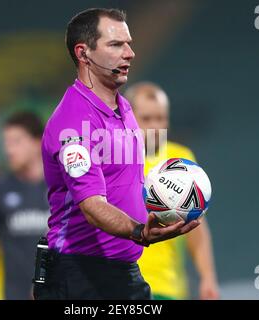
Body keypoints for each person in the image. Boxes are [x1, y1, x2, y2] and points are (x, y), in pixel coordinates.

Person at [39, 8, 200, 300]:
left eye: (129, 43)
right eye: (116, 45)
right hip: (80, 276)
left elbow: (125, 184)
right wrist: (139, 232)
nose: (130, 53)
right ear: (83, 53)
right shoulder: (73, 123)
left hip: (125, 271)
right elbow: (92, 206)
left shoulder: (124, 109)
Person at [125, 82, 220, 300]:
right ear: (128, 119)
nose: (155, 126)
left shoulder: (182, 160)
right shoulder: (114, 160)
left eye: (161, 118)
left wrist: (208, 277)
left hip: (167, 287)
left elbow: (197, 226)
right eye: (147, 119)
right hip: (122, 284)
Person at [0, 111, 49, 299]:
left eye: (16, 142)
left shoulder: (65, 190)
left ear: (37, 142)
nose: (9, 150)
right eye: (6, 143)